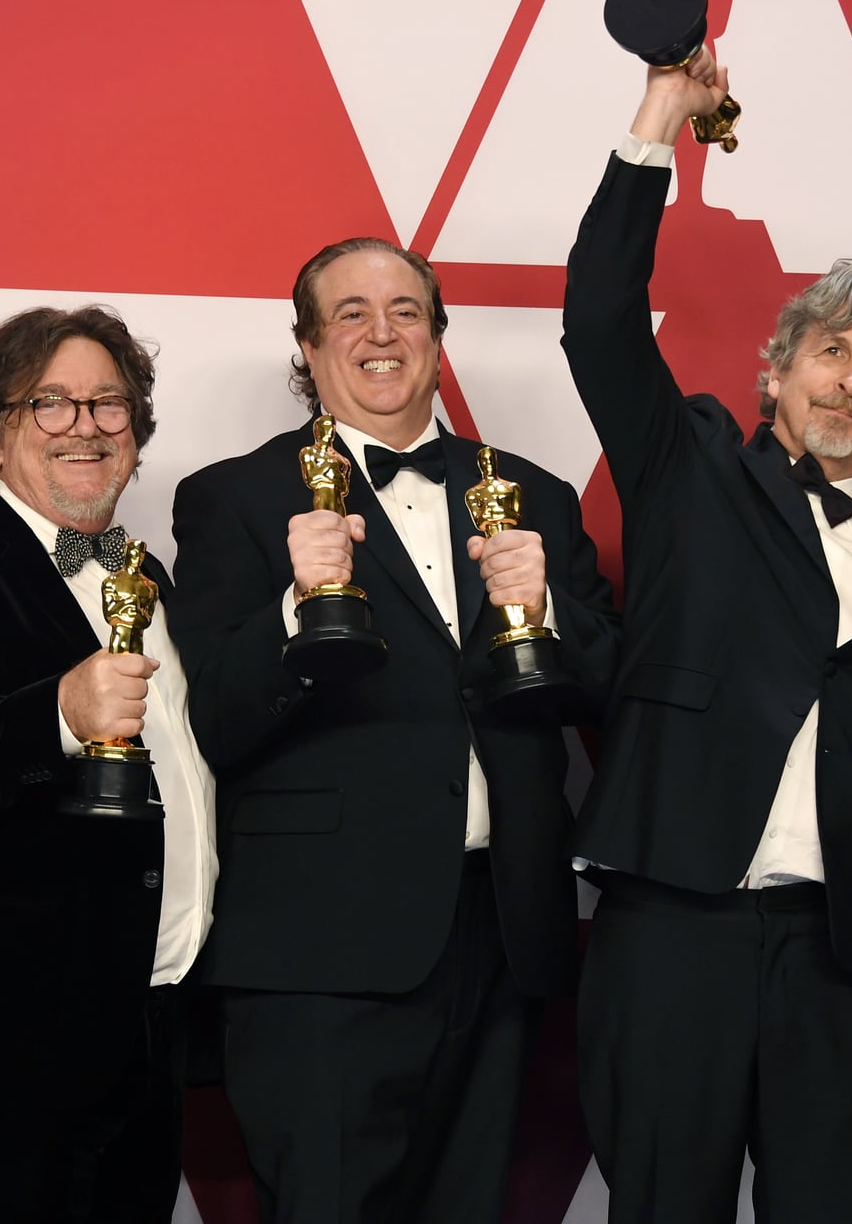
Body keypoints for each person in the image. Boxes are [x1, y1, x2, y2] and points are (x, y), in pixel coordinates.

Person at [558, 48, 852, 1223]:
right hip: (669, 944)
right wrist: (659, 117)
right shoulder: (688, 470)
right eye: (832, 351)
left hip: (839, 966)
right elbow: (599, 320)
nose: (851, 383)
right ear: (778, 369)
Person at [168, 237, 621, 1223]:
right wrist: (296, 609)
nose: (382, 334)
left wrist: (543, 612)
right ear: (308, 346)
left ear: (436, 335)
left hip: (499, 935)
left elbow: (610, 686)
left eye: (406, 311)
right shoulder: (235, 498)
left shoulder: (530, 494)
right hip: (320, 952)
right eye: (350, 314)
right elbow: (214, 718)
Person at [0, 304, 215, 1223]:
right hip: (4, 1043)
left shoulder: (152, 575)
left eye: (109, 404)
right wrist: (57, 711)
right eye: (50, 404)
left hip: (153, 1024)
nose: (86, 427)